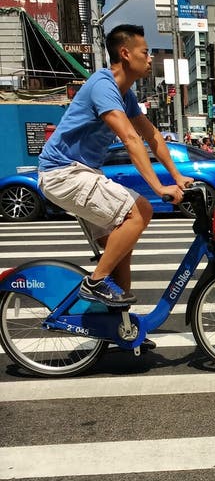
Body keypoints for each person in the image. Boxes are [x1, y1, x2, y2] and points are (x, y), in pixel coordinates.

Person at [38, 24, 192, 307]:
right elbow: (131, 138)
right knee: (140, 210)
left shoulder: (125, 94)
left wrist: (178, 175)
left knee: (120, 251)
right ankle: (95, 283)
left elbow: (152, 135)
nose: (149, 59)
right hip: (63, 172)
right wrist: (158, 187)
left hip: (81, 172)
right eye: (145, 52)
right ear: (125, 53)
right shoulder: (103, 86)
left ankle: (121, 328)